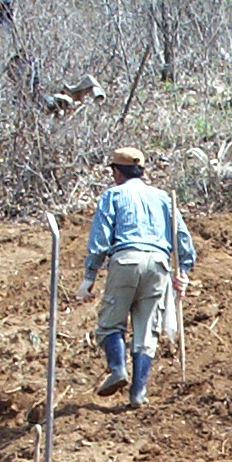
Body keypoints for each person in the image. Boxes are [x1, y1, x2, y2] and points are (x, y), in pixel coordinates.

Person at [75, 146, 196, 409]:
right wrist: (183, 271)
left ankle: (118, 369)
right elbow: (182, 238)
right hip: (158, 265)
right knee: (146, 332)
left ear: (117, 172)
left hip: (126, 260)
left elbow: (101, 239)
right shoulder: (164, 198)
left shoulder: (113, 196)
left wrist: (89, 277)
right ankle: (138, 392)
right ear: (142, 171)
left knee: (110, 323)